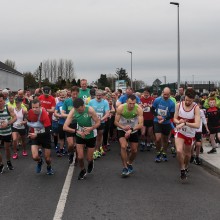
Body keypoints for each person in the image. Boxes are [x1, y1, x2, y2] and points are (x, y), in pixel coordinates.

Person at [63, 98, 100, 180]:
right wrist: (77, 131)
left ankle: (91, 162)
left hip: (91, 135)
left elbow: (98, 122)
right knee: (80, 157)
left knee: (89, 158)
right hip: (80, 135)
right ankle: (83, 170)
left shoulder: (90, 110)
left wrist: (91, 128)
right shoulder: (73, 111)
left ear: (83, 106)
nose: (78, 112)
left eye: (80, 110)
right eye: (77, 110)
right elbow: (65, 127)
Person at [173, 88, 200, 181]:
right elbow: (174, 119)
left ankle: (186, 165)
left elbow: (197, 125)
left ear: (193, 99)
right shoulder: (178, 105)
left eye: (190, 100)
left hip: (190, 133)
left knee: (188, 155)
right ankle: (182, 169)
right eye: (186, 99)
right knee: (179, 151)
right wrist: (179, 121)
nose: (187, 102)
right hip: (180, 131)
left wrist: (185, 123)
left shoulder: (196, 108)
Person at [114, 94, 143, 177]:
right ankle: (125, 168)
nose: (132, 105)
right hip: (122, 129)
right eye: (130, 103)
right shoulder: (121, 108)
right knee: (123, 146)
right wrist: (123, 127)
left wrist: (131, 130)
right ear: (126, 102)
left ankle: (129, 163)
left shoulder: (138, 109)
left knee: (134, 151)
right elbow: (115, 122)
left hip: (133, 130)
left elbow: (141, 124)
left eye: (134, 103)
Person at [27, 99, 54, 175]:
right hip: (35, 136)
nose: (35, 109)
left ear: (40, 107)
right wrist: (30, 132)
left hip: (45, 136)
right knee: (35, 157)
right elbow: (30, 121)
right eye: (33, 107)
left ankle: (49, 167)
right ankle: (40, 161)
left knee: (47, 159)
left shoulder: (44, 114)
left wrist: (36, 135)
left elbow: (48, 131)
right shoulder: (30, 112)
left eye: (36, 107)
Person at [151, 87, 175, 162]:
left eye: (167, 95)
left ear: (170, 94)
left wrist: (164, 119)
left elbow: (171, 115)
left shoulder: (171, 103)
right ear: (162, 93)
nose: (166, 96)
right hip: (157, 121)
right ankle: (158, 153)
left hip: (166, 122)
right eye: (164, 94)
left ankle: (164, 152)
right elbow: (152, 110)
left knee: (165, 140)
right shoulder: (157, 100)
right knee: (158, 139)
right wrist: (157, 116)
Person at [88, 89, 110, 159]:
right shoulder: (91, 102)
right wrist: (92, 117)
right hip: (92, 122)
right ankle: (92, 150)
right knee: (92, 136)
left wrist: (101, 119)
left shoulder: (105, 102)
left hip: (101, 121)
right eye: (97, 95)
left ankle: (97, 150)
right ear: (95, 95)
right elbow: (88, 111)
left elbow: (107, 113)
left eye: (100, 95)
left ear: (102, 95)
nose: (98, 97)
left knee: (99, 135)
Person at [61, 86, 79, 164]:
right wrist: (70, 116)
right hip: (69, 124)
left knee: (78, 145)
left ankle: (77, 158)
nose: (74, 96)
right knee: (71, 144)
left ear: (78, 93)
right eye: (73, 94)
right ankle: (71, 154)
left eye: (76, 94)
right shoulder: (67, 101)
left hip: (78, 124)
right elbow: (62, 113)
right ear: (70, 93)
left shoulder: (80, 101)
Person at [0, 93, 17, 173]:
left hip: (7, 132)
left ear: (4, 100)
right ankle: (0, 164)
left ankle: (8, 161)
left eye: (1, 101)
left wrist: (8, 123)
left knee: (7, 148)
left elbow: (15, 118)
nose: (0, 103)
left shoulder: (8, 108)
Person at [54, 90, 67, 156]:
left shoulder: (68, 103)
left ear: (66, 96)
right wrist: (60, 115)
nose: (62, 99)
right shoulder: (58, 104)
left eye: (63, 97)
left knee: (69, 138)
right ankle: (61, 150)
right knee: (61, 137)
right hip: (61, 123)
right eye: (61, 97)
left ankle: (70, 150)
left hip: (68, 123)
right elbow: (55, 113)